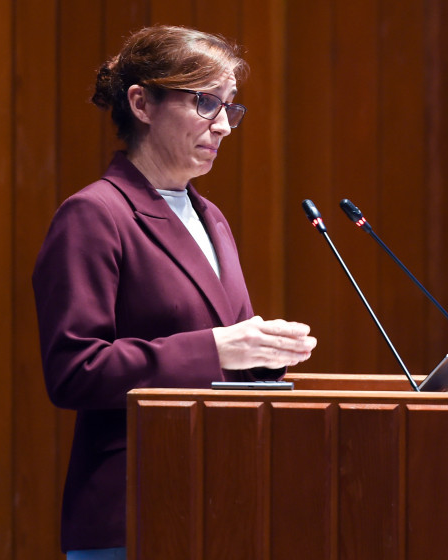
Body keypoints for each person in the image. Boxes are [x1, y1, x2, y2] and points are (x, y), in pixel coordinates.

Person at [32, 25, 317, 559]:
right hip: (135, 509)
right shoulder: (95, 215)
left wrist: (267, 353)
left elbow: (226, 357)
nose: (225, 126)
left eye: (231, 107)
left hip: (224, 503)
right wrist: (218, 348)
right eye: (206, 103)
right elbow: (73, 373)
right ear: (141, 103)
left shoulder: (210, 218)